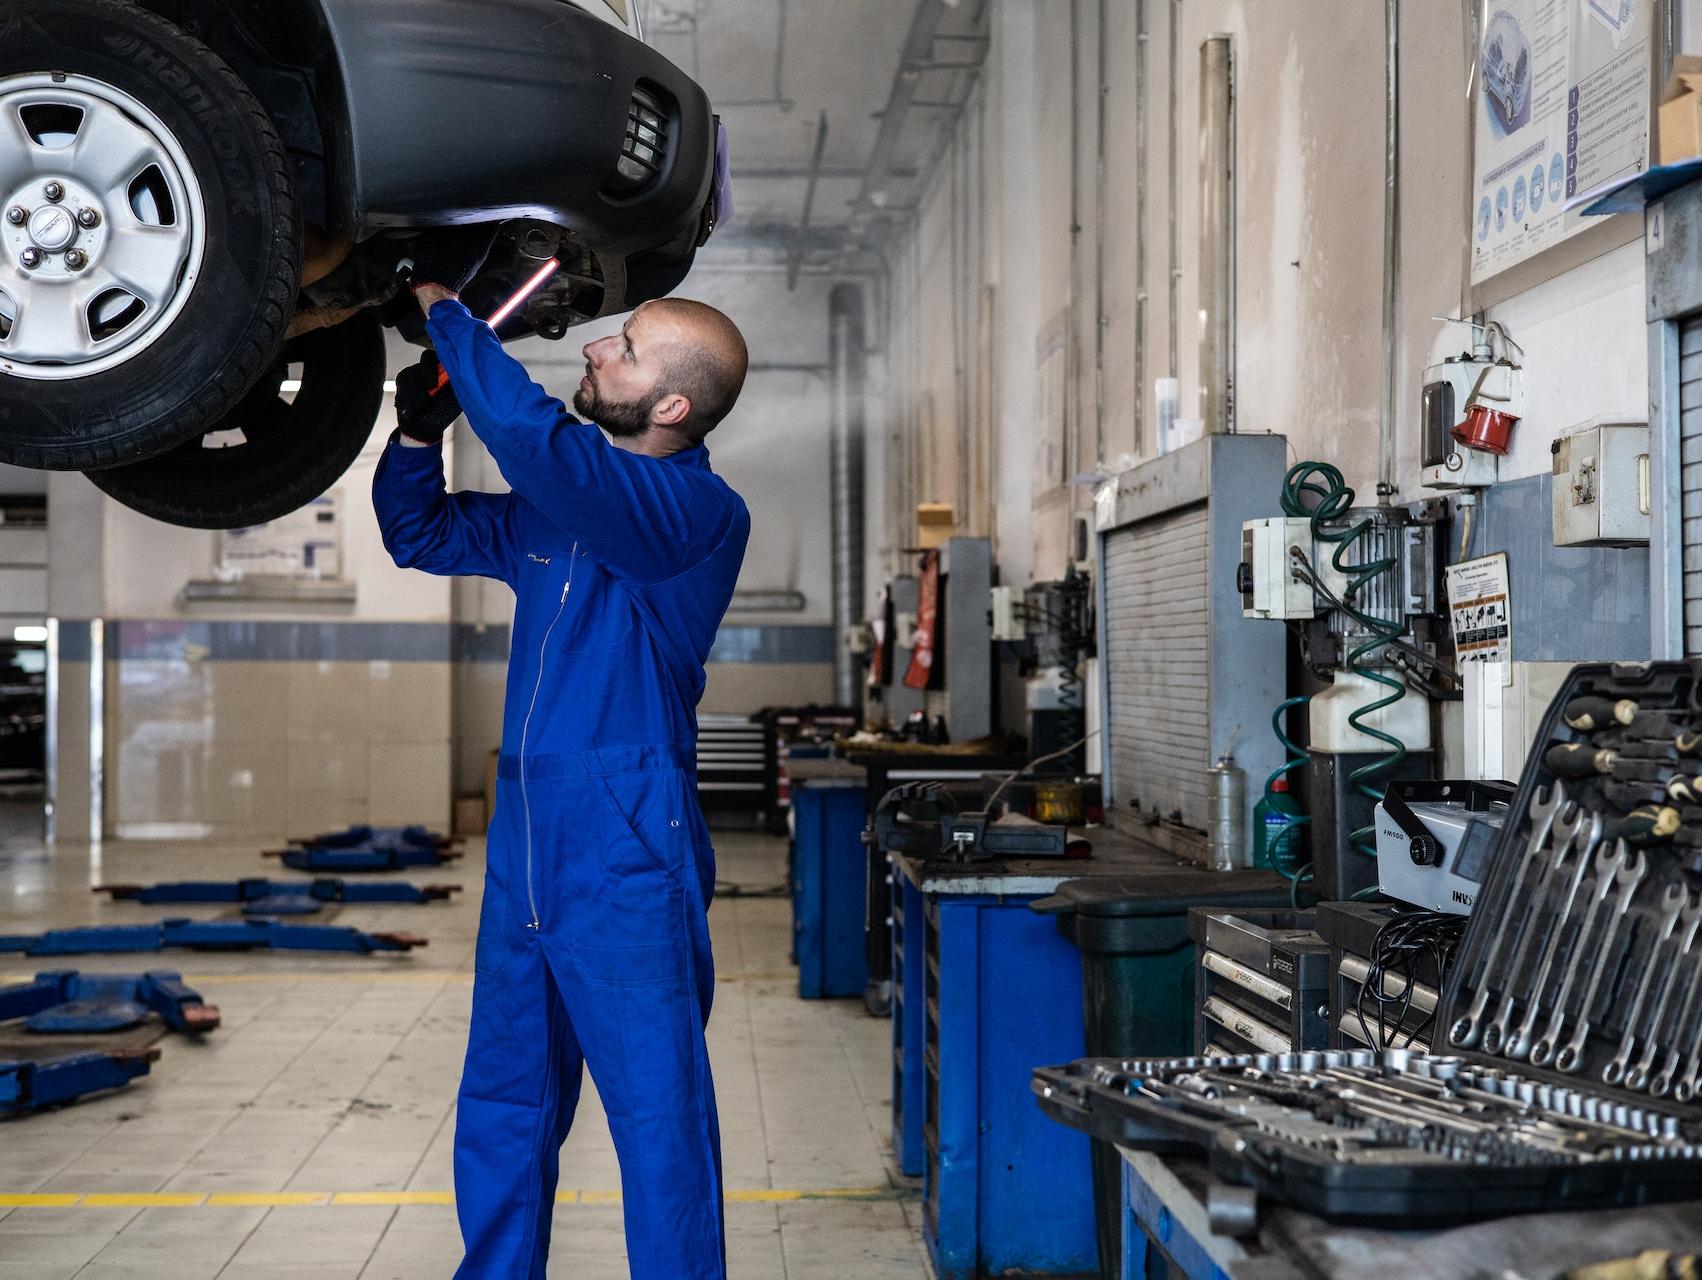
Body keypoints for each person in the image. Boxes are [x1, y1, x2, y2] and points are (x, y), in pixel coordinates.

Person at [371, 242, 750, 1280]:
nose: (596, 347)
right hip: (528, 842)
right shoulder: (559, 510)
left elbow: (541, 447)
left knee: (658, 1119)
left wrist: (450, 312)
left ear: (671, 407)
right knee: (505, 1100)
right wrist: (415, 434)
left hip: (626, 848)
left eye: (624, 348)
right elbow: (421, 534)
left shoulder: (695, 515)